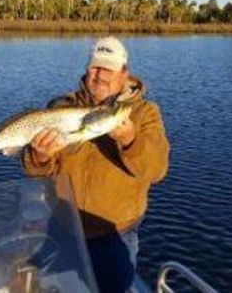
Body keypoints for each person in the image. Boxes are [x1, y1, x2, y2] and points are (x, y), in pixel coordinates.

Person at [21, 36, 170, 292]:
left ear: (124, 74)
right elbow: (34, 170)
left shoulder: (145, 113)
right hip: (63, 226)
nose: (99, 74)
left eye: (108, 68)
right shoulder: (60, 107)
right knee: (49, 286)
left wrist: (130, 139)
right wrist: (40, 157)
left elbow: (156, 169)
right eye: (94, 67)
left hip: (115, 234)